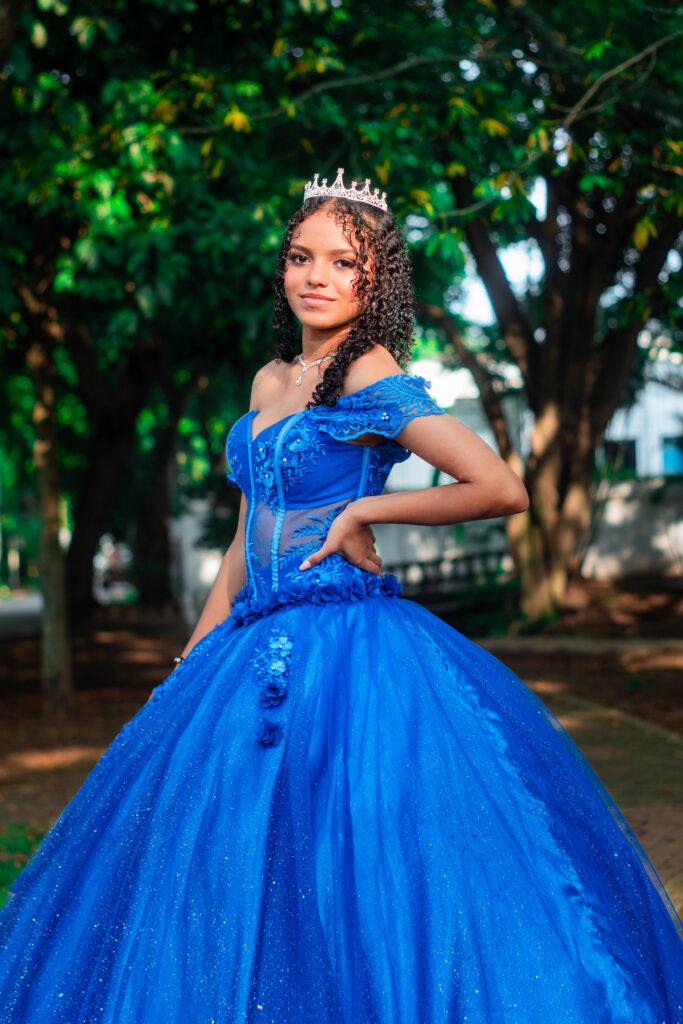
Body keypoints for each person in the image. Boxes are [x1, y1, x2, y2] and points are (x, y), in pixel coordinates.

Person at [0, 168, 681, 1024]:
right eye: (300, 257)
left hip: (347, 645)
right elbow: (243, 543)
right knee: (229, 854)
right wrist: (190, 661)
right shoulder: (269, 379)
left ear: (375, 278)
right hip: (248, 643)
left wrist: (366, 508)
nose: (316, 277)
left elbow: (497, 485)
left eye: (342, 262)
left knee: (353, 852)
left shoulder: (367, 370)